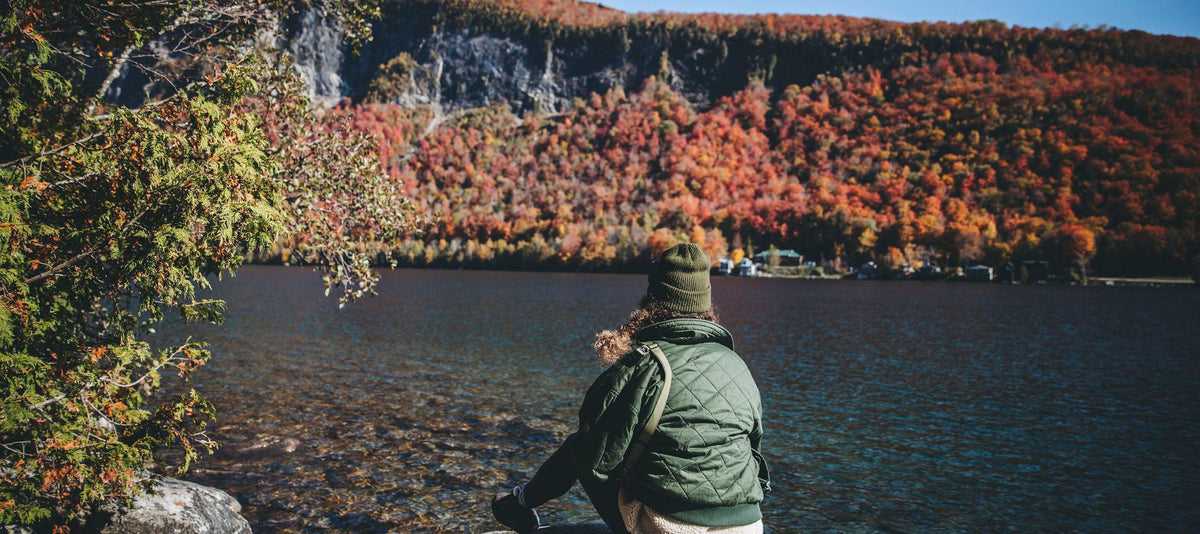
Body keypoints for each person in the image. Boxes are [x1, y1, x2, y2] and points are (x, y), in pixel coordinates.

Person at [492, 243, 770, 533]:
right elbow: (755, 455)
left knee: (580, 447)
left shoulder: (644, 365)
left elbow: (595, 459)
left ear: (651, 299)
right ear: (706, 303)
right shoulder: (737, 365)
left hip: (676, 527)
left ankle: (520, 505)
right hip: (748, 525)